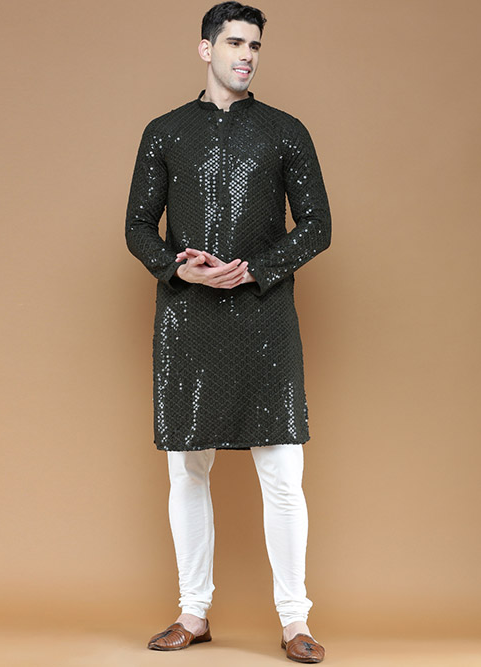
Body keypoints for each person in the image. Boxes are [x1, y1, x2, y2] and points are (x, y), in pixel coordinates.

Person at [125, 2, 331, 663]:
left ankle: (295, 621)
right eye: (236, 42)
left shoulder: (285, 131)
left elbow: (318, 225)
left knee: (283, 473)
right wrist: (176, 267)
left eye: (255, 45)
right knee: (187, 470)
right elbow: (137, 226)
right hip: (187, 318)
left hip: (264, 316)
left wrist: (255, 269)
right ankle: (194, 611)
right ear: (205, 48)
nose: (246, 55)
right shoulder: (164, 132)